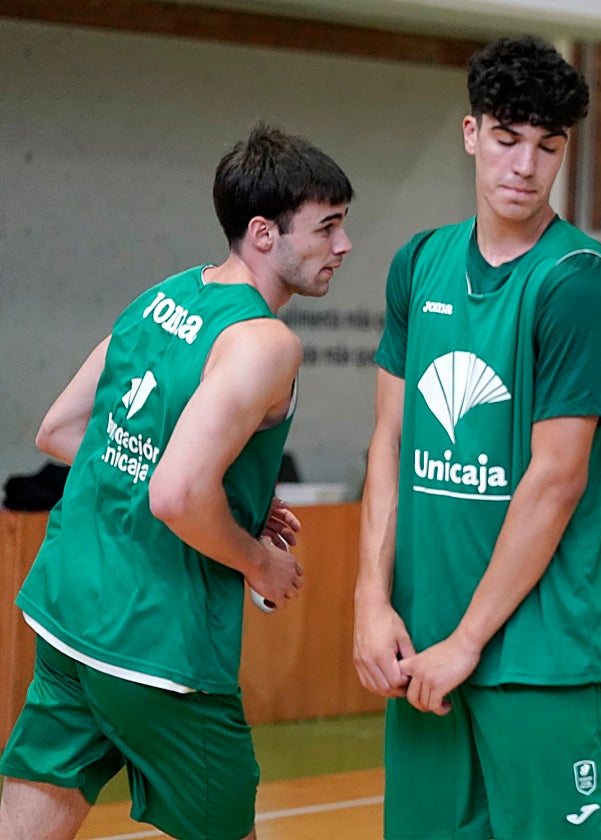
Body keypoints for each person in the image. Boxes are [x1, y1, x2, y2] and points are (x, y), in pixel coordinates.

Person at [0, 124, 354, 840]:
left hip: (69, 616)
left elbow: (64, 432)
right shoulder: (266, 341)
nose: (343, 246)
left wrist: (223, 497)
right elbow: (174, 493)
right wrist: (261, 562)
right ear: (263, 232)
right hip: (158, 648)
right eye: (328, 227)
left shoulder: (163, 296)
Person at [354, 35, 601, 840]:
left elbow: (556, 478)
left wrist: (470, 641)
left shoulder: (575, 282)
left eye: (548, 147)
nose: (525, 166)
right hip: (423, 646)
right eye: (507, 139)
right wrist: (372, 602)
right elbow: (390, 441)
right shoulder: (419, 263)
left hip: (535, 655)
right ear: (471, 133)